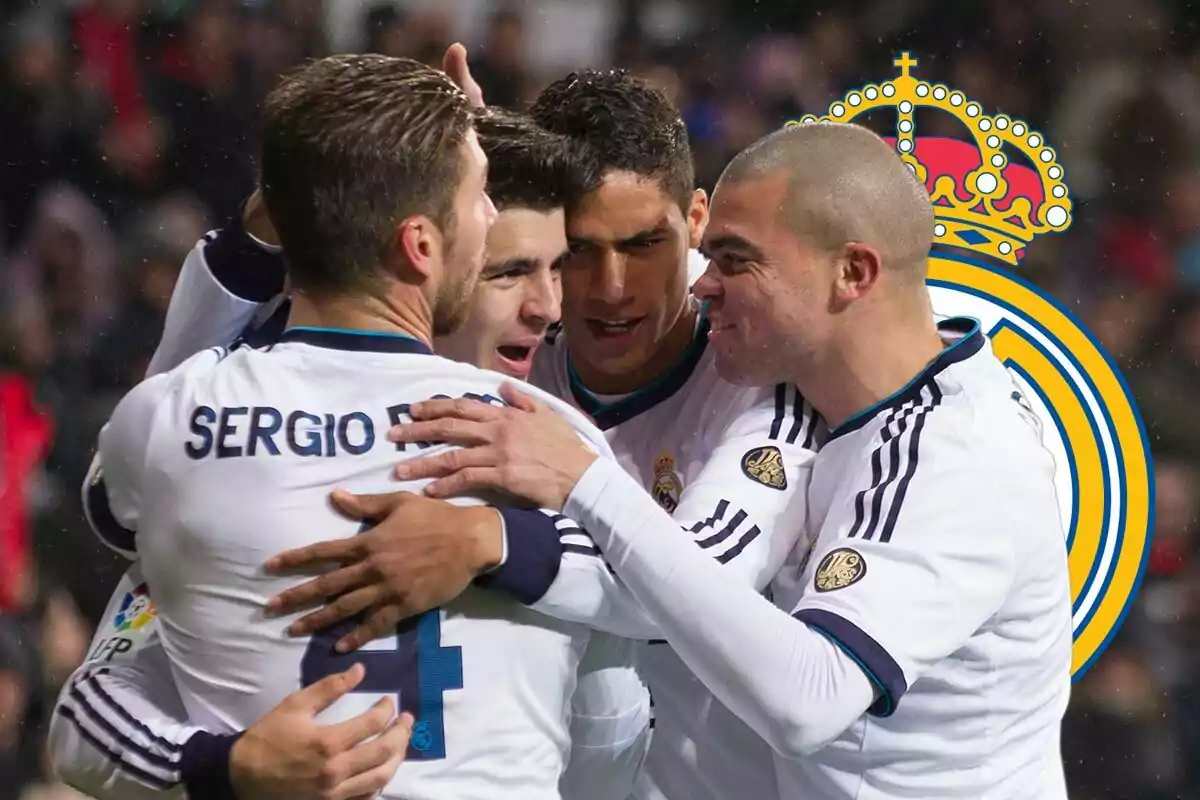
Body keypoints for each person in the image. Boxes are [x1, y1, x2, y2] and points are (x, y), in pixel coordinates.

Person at [374, 120, 1076, 799]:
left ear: (853, 273)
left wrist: (580, 486)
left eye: (735, 261)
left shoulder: (954, 455)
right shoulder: (850, 411)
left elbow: (810, 698)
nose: (703, 282)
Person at [67, 54, 646, 800]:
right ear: (420, 246)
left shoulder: (170, 422)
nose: (491, 215)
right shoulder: (544, 441)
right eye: (480, 201)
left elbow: (84, 713)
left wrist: (227, 766)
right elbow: (658, 601)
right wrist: (497, 540)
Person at [259, 68, 821, 800]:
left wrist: (492, 541)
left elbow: (700, 586)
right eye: (578, 251)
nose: (611, 287)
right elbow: (283, 354)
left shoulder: (755, 363)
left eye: (645, 243)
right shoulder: (506, 330)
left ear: (697, 221)